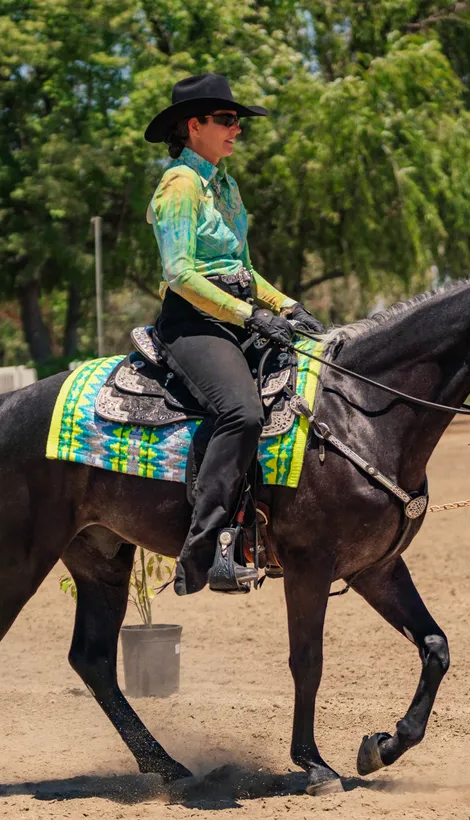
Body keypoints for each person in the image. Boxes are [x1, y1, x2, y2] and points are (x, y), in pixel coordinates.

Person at [145, 73, 325, 596]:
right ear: (193, 125)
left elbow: (242, 269)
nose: (236, 130)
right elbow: (180, 273)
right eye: (226, 120)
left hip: (239, 316)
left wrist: (287, 306)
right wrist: (250, 317)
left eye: (238, 122)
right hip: (193, 324)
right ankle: (205, 545)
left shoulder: (225, 186)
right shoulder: (179, 184)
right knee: (241, 412)